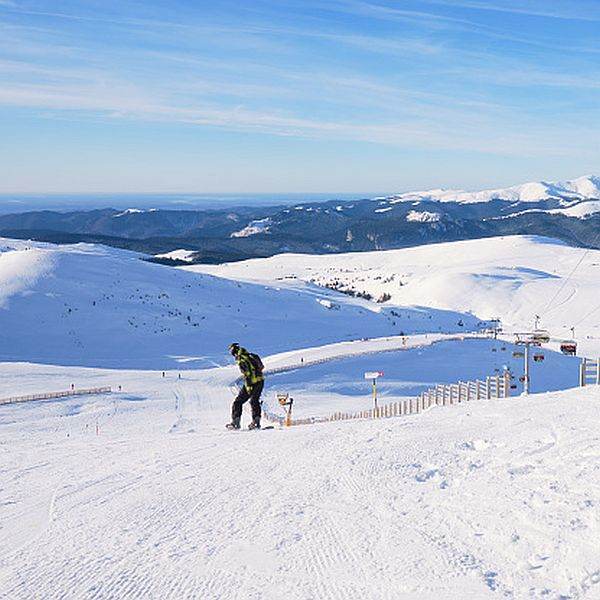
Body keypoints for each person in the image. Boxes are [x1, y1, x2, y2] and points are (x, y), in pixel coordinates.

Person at [226, 343, 265, 430]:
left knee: (238, 402)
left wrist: (248, 386)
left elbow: (247, 374)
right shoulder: (251, 355)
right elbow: (261, 367)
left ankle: (235, 423)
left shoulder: (242, 360)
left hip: (251, 383)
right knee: (254, 401)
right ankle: (256, 422)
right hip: (260, 381)